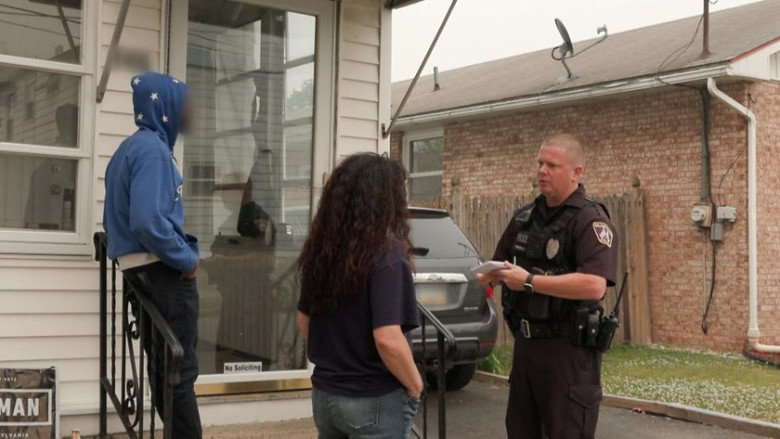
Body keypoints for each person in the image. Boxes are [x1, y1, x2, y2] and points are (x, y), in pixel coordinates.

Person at [477, 134, 618, 439]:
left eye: (552, 165)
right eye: (540, 163)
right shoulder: (525, 218)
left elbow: (594, 285)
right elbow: (501, 263)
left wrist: (529, 282)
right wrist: (490, 275)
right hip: (527, 349)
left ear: (576, 172)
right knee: (521, 431)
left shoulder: (590, 219)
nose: (542, 170)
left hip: (568, 353)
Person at [296, 153, 423, 439]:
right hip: (373, 399)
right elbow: (388, 338)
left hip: (325, 396)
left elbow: (304, 322)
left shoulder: (321, 252)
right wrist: (415, 385)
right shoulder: (387, 256)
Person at [103, 71, 201, 438]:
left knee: (164, 369)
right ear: (166, 106)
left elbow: (117, 218)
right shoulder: (153, 152)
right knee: (180, 372)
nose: (188, 112)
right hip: (161, 273)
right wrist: (187, 261)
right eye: (184, 104)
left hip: (140, 274)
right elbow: (146, 222)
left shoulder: (128, 149)